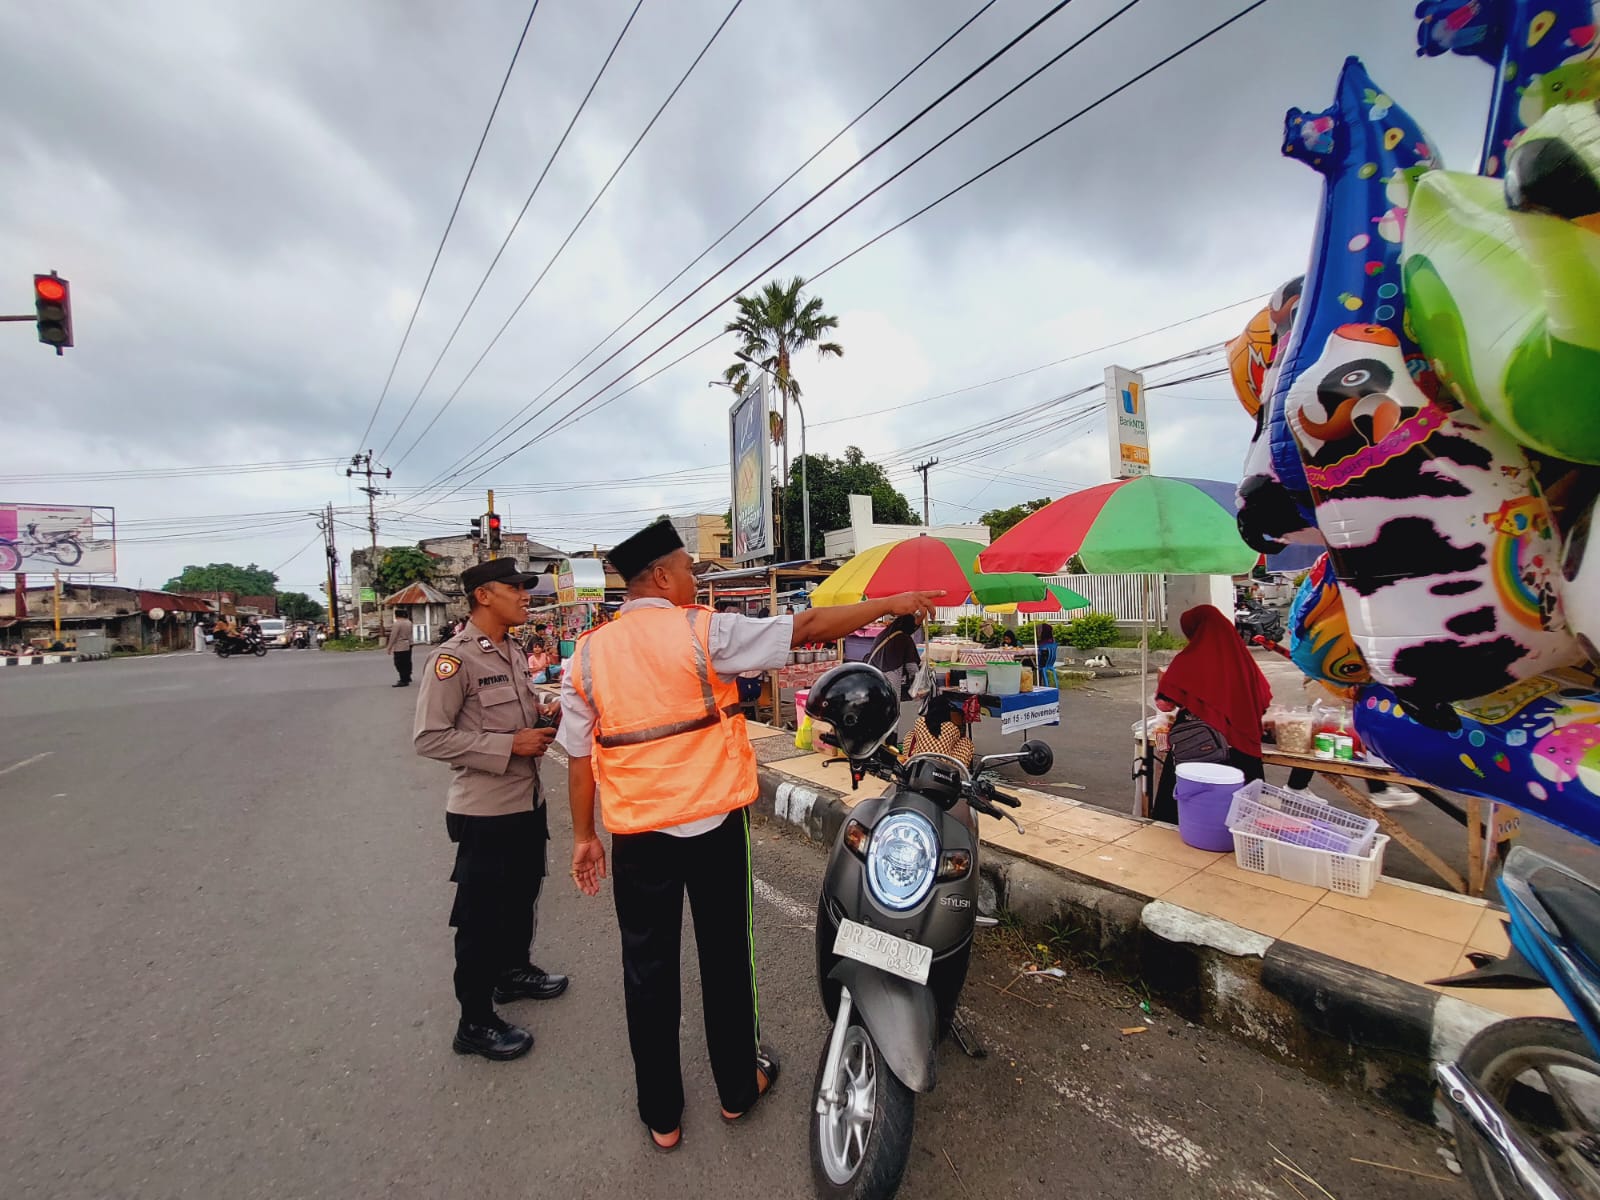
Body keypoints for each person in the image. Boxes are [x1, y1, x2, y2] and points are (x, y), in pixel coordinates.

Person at [559, 518, 942, 1151]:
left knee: (646, 970)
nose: (694, 578)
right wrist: (895, 604)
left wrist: (583, 837)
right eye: (687, 568)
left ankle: (662, 1116)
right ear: (659, 575)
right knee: (727, 959)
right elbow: (809, 627)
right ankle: (738, 1090)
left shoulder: (589, 655)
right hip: (712, 826)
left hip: (637, 836)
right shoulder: (702, 631)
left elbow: (579, 754)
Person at [414, 558, 568, 1063]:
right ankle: (474, 1021)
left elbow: (516, 720)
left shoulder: (513, 650)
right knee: (481, 917)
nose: (527, 596)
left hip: (526, 801)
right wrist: (509, 745)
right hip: (484, 811)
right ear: (483, 595)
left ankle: (511, 972)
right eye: (516, 588)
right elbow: (430, 738)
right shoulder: (453, 660)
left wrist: (542, 718)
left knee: (524, 892)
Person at [1151, 605, 1274, 824]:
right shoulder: (1243, 660)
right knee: (1239, 817)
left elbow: (1165, 704)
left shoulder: (1190, 659)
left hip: (1199, 746)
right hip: (1242, 749)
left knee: (1185, 811)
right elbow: (1264, 699)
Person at [387, 607, 415, 687]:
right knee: (407, 661)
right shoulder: (408, 622)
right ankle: (407, 676)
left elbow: (393, 636)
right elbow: (410, 633)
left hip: (400, 645)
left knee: (399, 663)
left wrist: (389, 647)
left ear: (396, 615)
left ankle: (403, 680)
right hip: (408, 644)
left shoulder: (397, 623)